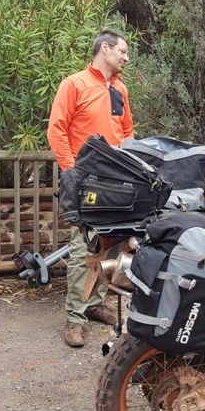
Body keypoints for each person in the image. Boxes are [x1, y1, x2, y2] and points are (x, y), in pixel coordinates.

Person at [47, 29, 134, 347]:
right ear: (105, 48)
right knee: (82, 248)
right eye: (122, 51)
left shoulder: (120, 89)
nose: (126, 57)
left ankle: (95, 304)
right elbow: (56, 131)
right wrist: (71, 173)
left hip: (115, 182)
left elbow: (127, 133)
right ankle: (75, 318)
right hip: (82, 181)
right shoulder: (74, 84)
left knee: (110, 247)